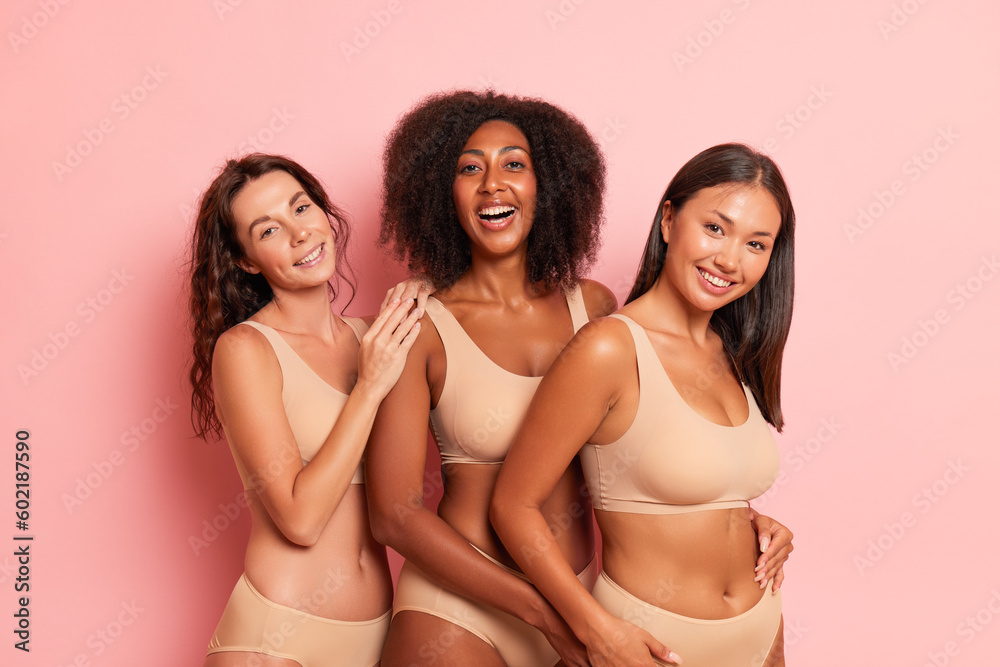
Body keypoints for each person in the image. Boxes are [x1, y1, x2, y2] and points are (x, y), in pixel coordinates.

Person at [366, 92, 792, 667]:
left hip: (582, 589)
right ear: (441, 191)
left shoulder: (593, 307)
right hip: (467, 604)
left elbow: (644, 448)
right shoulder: (422, 325)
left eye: (515, 164)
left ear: (551, 184)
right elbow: (394, 513)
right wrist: (549, 611)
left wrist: (732, 514)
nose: (494, 183)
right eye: (470, 167)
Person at [492, 143, 796, 667]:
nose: (729, 259)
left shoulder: (733, 351)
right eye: (715, 228)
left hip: (761, 632)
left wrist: (752, 520)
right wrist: (595, 627)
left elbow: (684, 479)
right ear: (669, 221)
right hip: (649, 644)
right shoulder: (609, 348)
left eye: (756, 244)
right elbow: (512, 506)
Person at [188, 153, 422, 667]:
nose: (299, 234)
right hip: (278, 639)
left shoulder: (374, 336)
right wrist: (369, 387)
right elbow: (300, 519)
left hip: (379, 639)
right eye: (269, 230)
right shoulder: (246, 349)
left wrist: (427, 290)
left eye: (302, 207)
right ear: (246, 260)